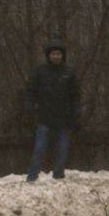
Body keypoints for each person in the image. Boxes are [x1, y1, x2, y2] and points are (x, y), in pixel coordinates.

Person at [25, 41, 80, 180]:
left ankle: (59, 175)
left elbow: (75, 95)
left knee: (62, 151)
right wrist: (29, 106)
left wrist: (76, 112)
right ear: (48, 56)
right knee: (39, 149)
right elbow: (31, 91)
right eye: (53, 54)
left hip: (64, 117)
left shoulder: (69, 72)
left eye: (58, 54)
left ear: (62, 56)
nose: (56, 56)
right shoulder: (40, 71)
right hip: (45, 117)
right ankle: (32, 176)